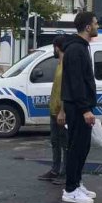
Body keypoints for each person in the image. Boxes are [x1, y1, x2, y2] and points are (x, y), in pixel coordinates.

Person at [59, 12, 99, 203]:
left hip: (80, 106)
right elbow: (76, 82)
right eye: (96, 23)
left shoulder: (81, 47)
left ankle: (77, 182)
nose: (98, 26)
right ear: (88, 27)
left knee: (83, 147)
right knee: (76, 148)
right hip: (77, 108)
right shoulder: (76, 49)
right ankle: (70, 189)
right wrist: (85, 109)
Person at [37, 36, 68, 185]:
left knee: (65, 144)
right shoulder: (60, 64)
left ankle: (65, 173)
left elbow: (67, 90)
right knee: (55, 142)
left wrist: (63, 111)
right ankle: (55, 170)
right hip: (54, 111)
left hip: (61, 112)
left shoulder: (66, 65)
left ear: (57, 47)